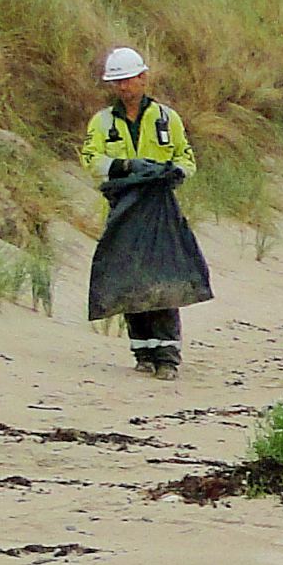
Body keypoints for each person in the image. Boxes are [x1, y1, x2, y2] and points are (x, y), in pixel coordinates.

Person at [78, 46, 198, 377]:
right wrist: (125, 165)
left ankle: (168, 355)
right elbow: (91, 160)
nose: (122, 88)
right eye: (117, 82)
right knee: (130, 277)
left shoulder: (166, 118)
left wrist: (175, 172)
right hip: (124, 206)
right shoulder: (102, 122)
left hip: (160, 206)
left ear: (143, 78)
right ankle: (143, 352)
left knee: (162, 276)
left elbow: (187, 158)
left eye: (127, 81)